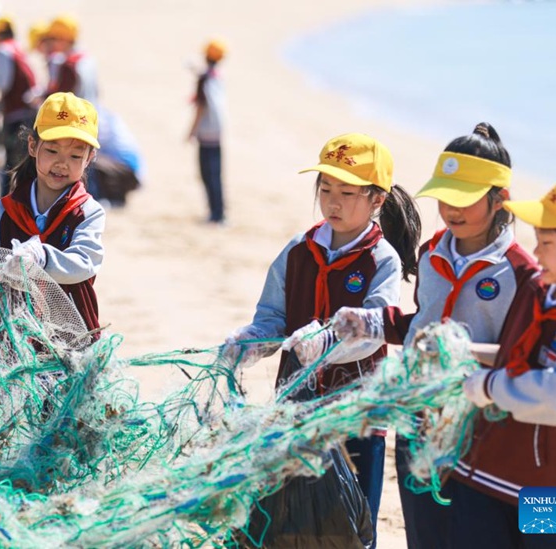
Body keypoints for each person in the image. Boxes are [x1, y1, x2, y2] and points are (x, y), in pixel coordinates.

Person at [331, 123, 540, 549]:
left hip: (480, 437)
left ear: (500, 199)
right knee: (425, 537)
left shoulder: (521, 274)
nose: (450, 209)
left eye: (464, 199)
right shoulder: (432, 253)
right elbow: (423, 327)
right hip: (418, 422)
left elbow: (524, 357)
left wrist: (459, 355)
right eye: (444, 197)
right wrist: (372, 323)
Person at [224, 133, 421, 547]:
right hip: (295, 411)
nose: (333, 201)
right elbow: (271, 320)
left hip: (357, 415)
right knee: (285, 522)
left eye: (347, 193)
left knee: (349, 525)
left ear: (377, 201)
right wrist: (247, 343)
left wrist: (328, 342)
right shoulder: (298, 251)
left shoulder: (381, 259)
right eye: (326, 189)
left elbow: (375, 329)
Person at [455, 175, 556, 548]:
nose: (536, 253)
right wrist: (464, 353)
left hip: (546, 489)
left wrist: (488, 386)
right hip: (481, 473)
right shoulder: (536, 290)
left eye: (546, 242)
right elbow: (515, 359)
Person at [0, 92, 105, 334]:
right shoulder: (6, 210)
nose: (62, 163)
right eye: (52, 151)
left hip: (69, 340)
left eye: (75, 156)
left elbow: (84, 263)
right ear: (33, 146)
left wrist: (42, 257)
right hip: (12, 337)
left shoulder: (87, 212)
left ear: (90, 158)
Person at [0, 16, 39, 197]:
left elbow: (2, 83)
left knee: (12, 162)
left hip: (16, 114)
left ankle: (6, 201)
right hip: (27, 113)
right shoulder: (18, 49)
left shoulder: (4, 50)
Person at [188, 39, 227, 224]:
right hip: (218, 132)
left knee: (207, 174)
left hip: (206, 133)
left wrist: (192, 131)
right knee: (216, 175)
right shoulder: (217, 76)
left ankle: (215, 213)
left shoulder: (205, 78)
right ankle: (219, 212)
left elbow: (200, 108)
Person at [34, 14, 98, 106]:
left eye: (53, 38)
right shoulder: (88, 59)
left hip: (76, 117)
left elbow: (60, 101)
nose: (51, 43)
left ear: (62, 39)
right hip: (91, 115)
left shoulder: (69, 65)